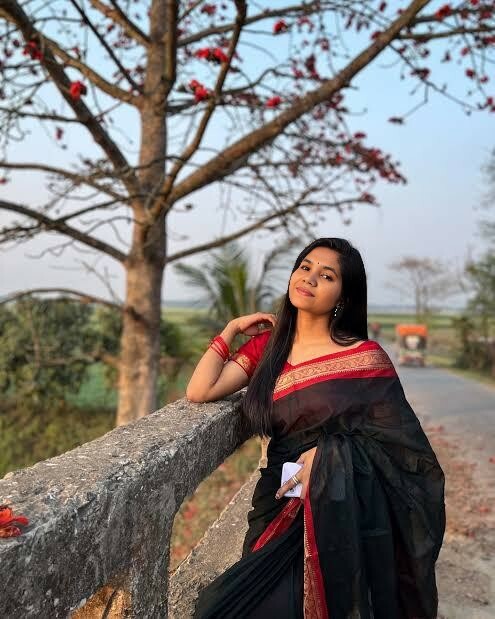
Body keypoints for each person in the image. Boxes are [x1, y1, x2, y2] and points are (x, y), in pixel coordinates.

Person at [186, 237, 445, 619]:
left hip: (341, 510)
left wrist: (328, 459)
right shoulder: (268, 347)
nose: (309, 278)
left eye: (326, 276)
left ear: (343, 296)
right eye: (305, 267)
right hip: (278, 502)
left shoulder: (365, 358)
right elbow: (200, 391)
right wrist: (230, 330)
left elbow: (405, 450)